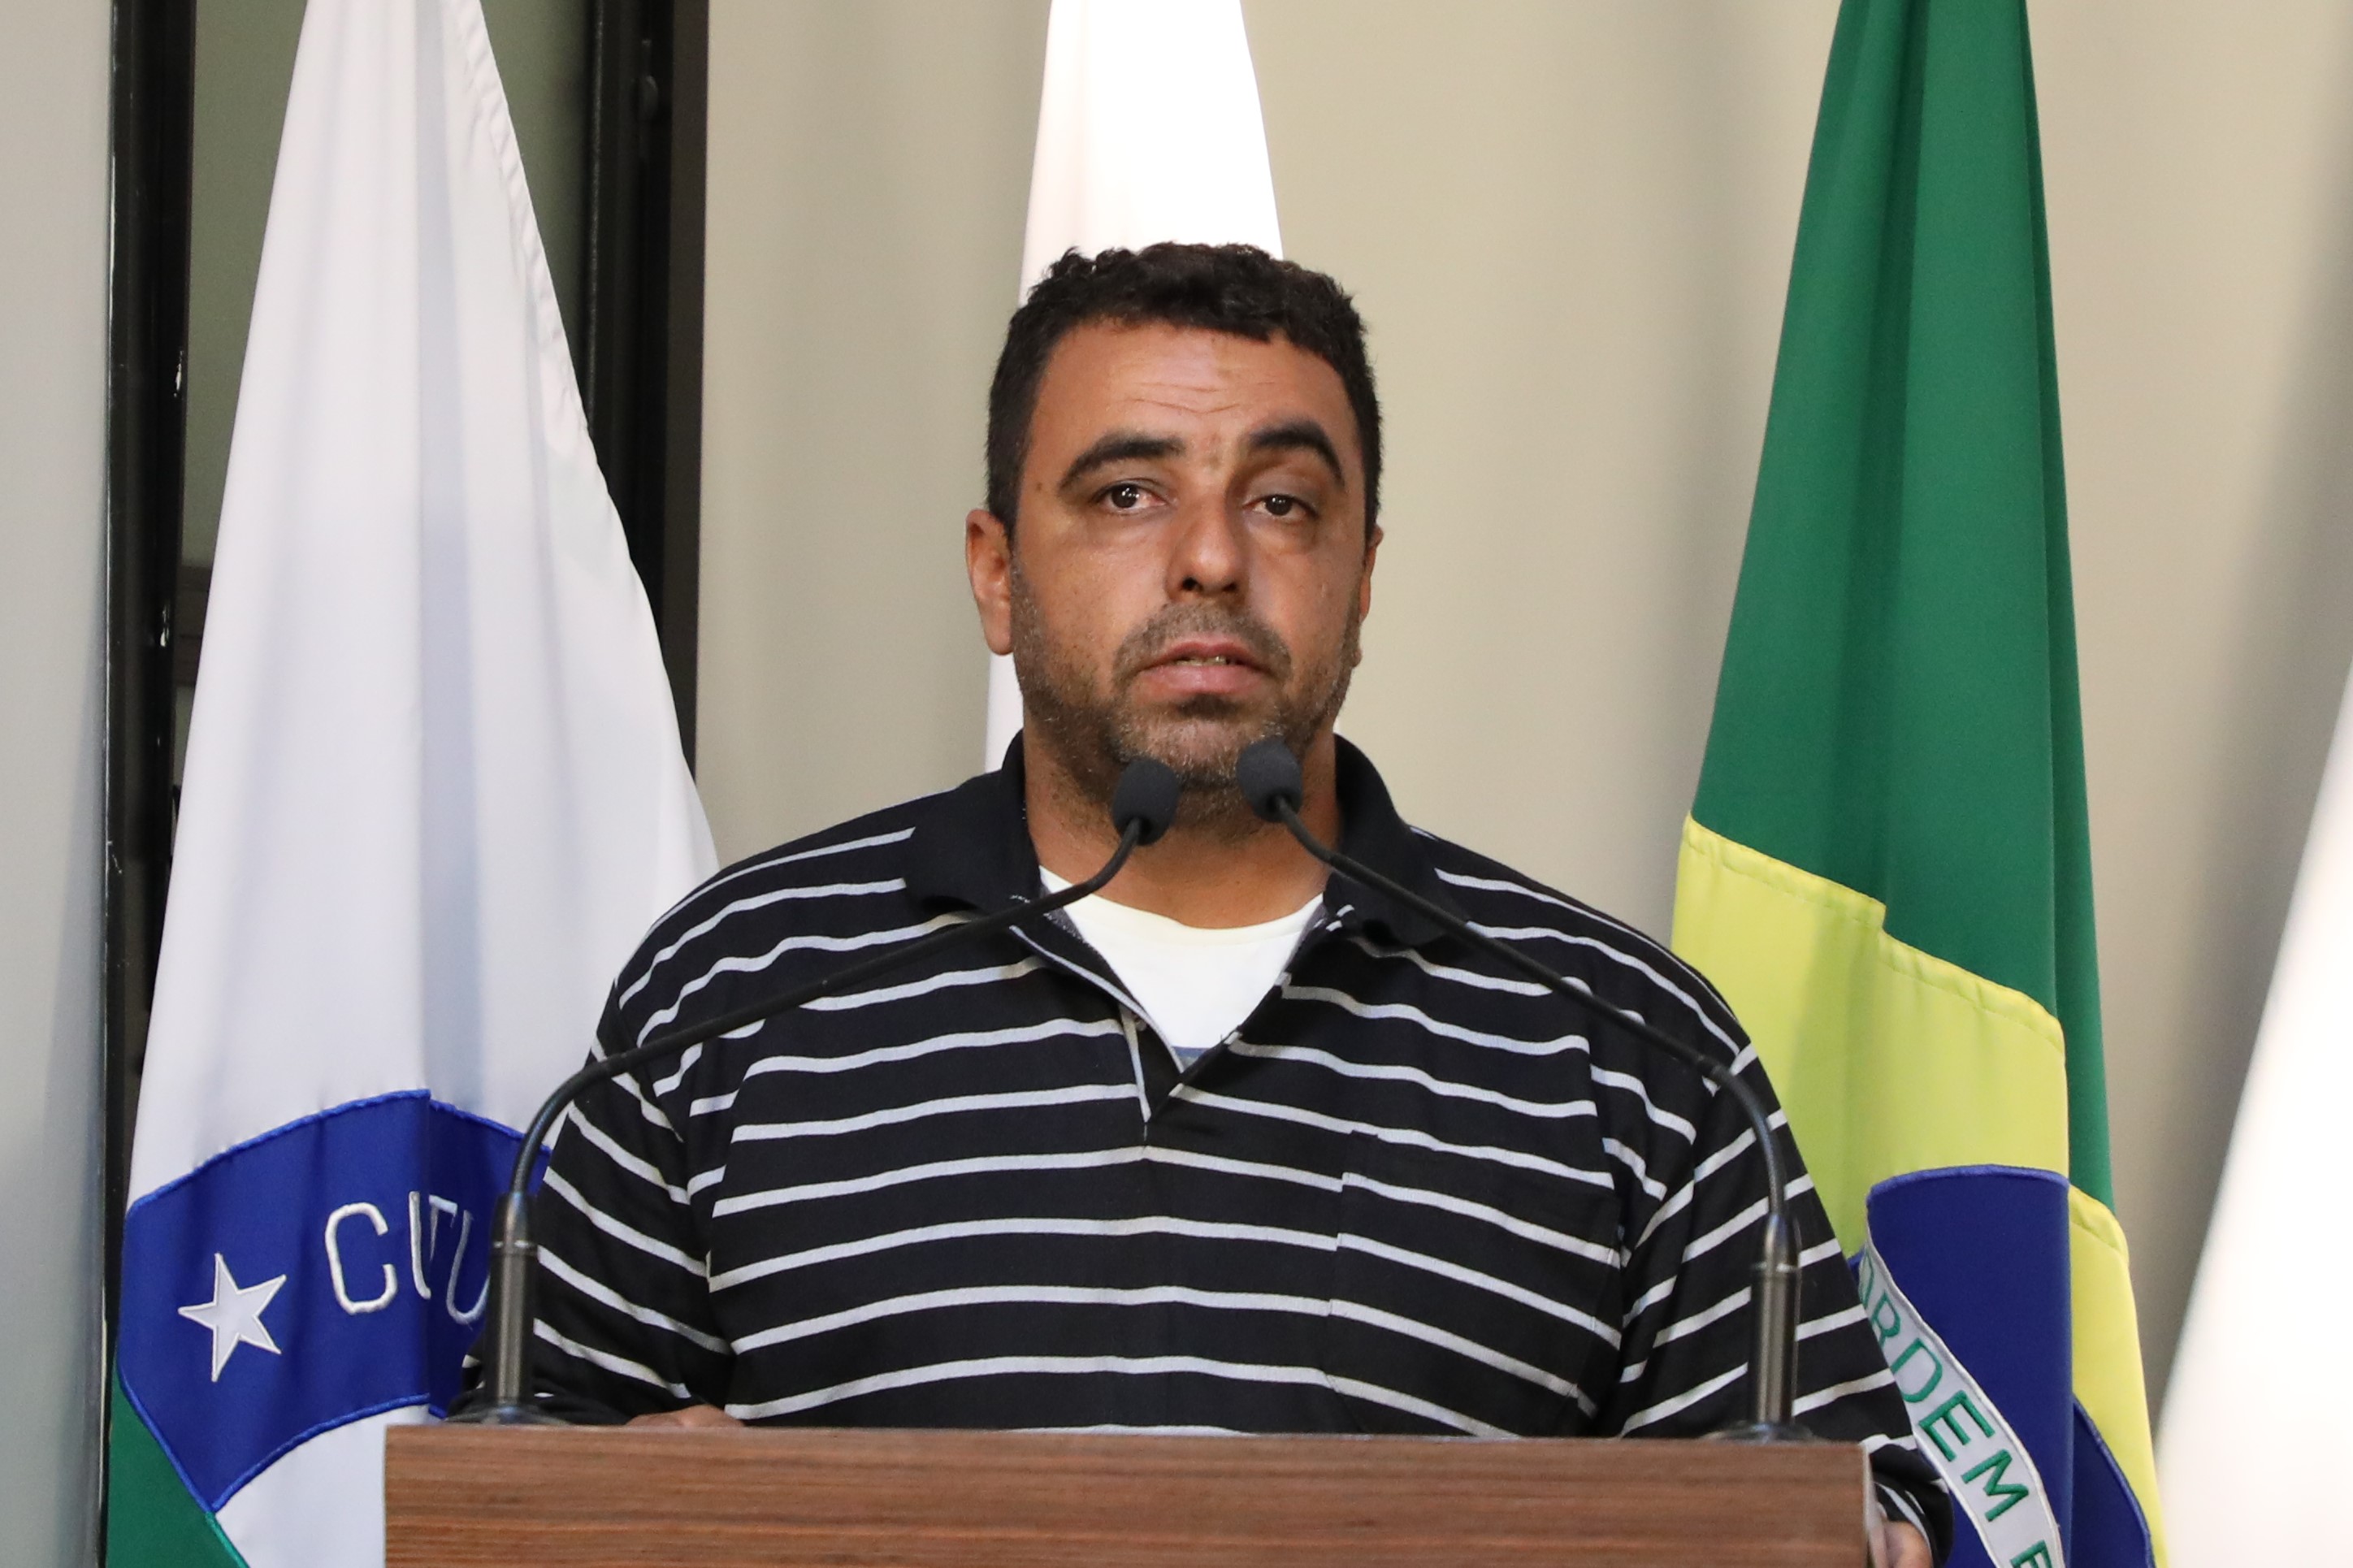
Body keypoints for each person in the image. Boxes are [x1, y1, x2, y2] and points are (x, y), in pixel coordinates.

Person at [523, 244, 1947, 1566]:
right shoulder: (737, 988)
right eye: (1127, 495)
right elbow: (517, 1480)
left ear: (1363, 576)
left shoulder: (1626, 1040)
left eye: (1282, 502)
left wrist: (1873, 1537)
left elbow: (1842, 1501)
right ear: (997, 574)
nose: (1211, 558)